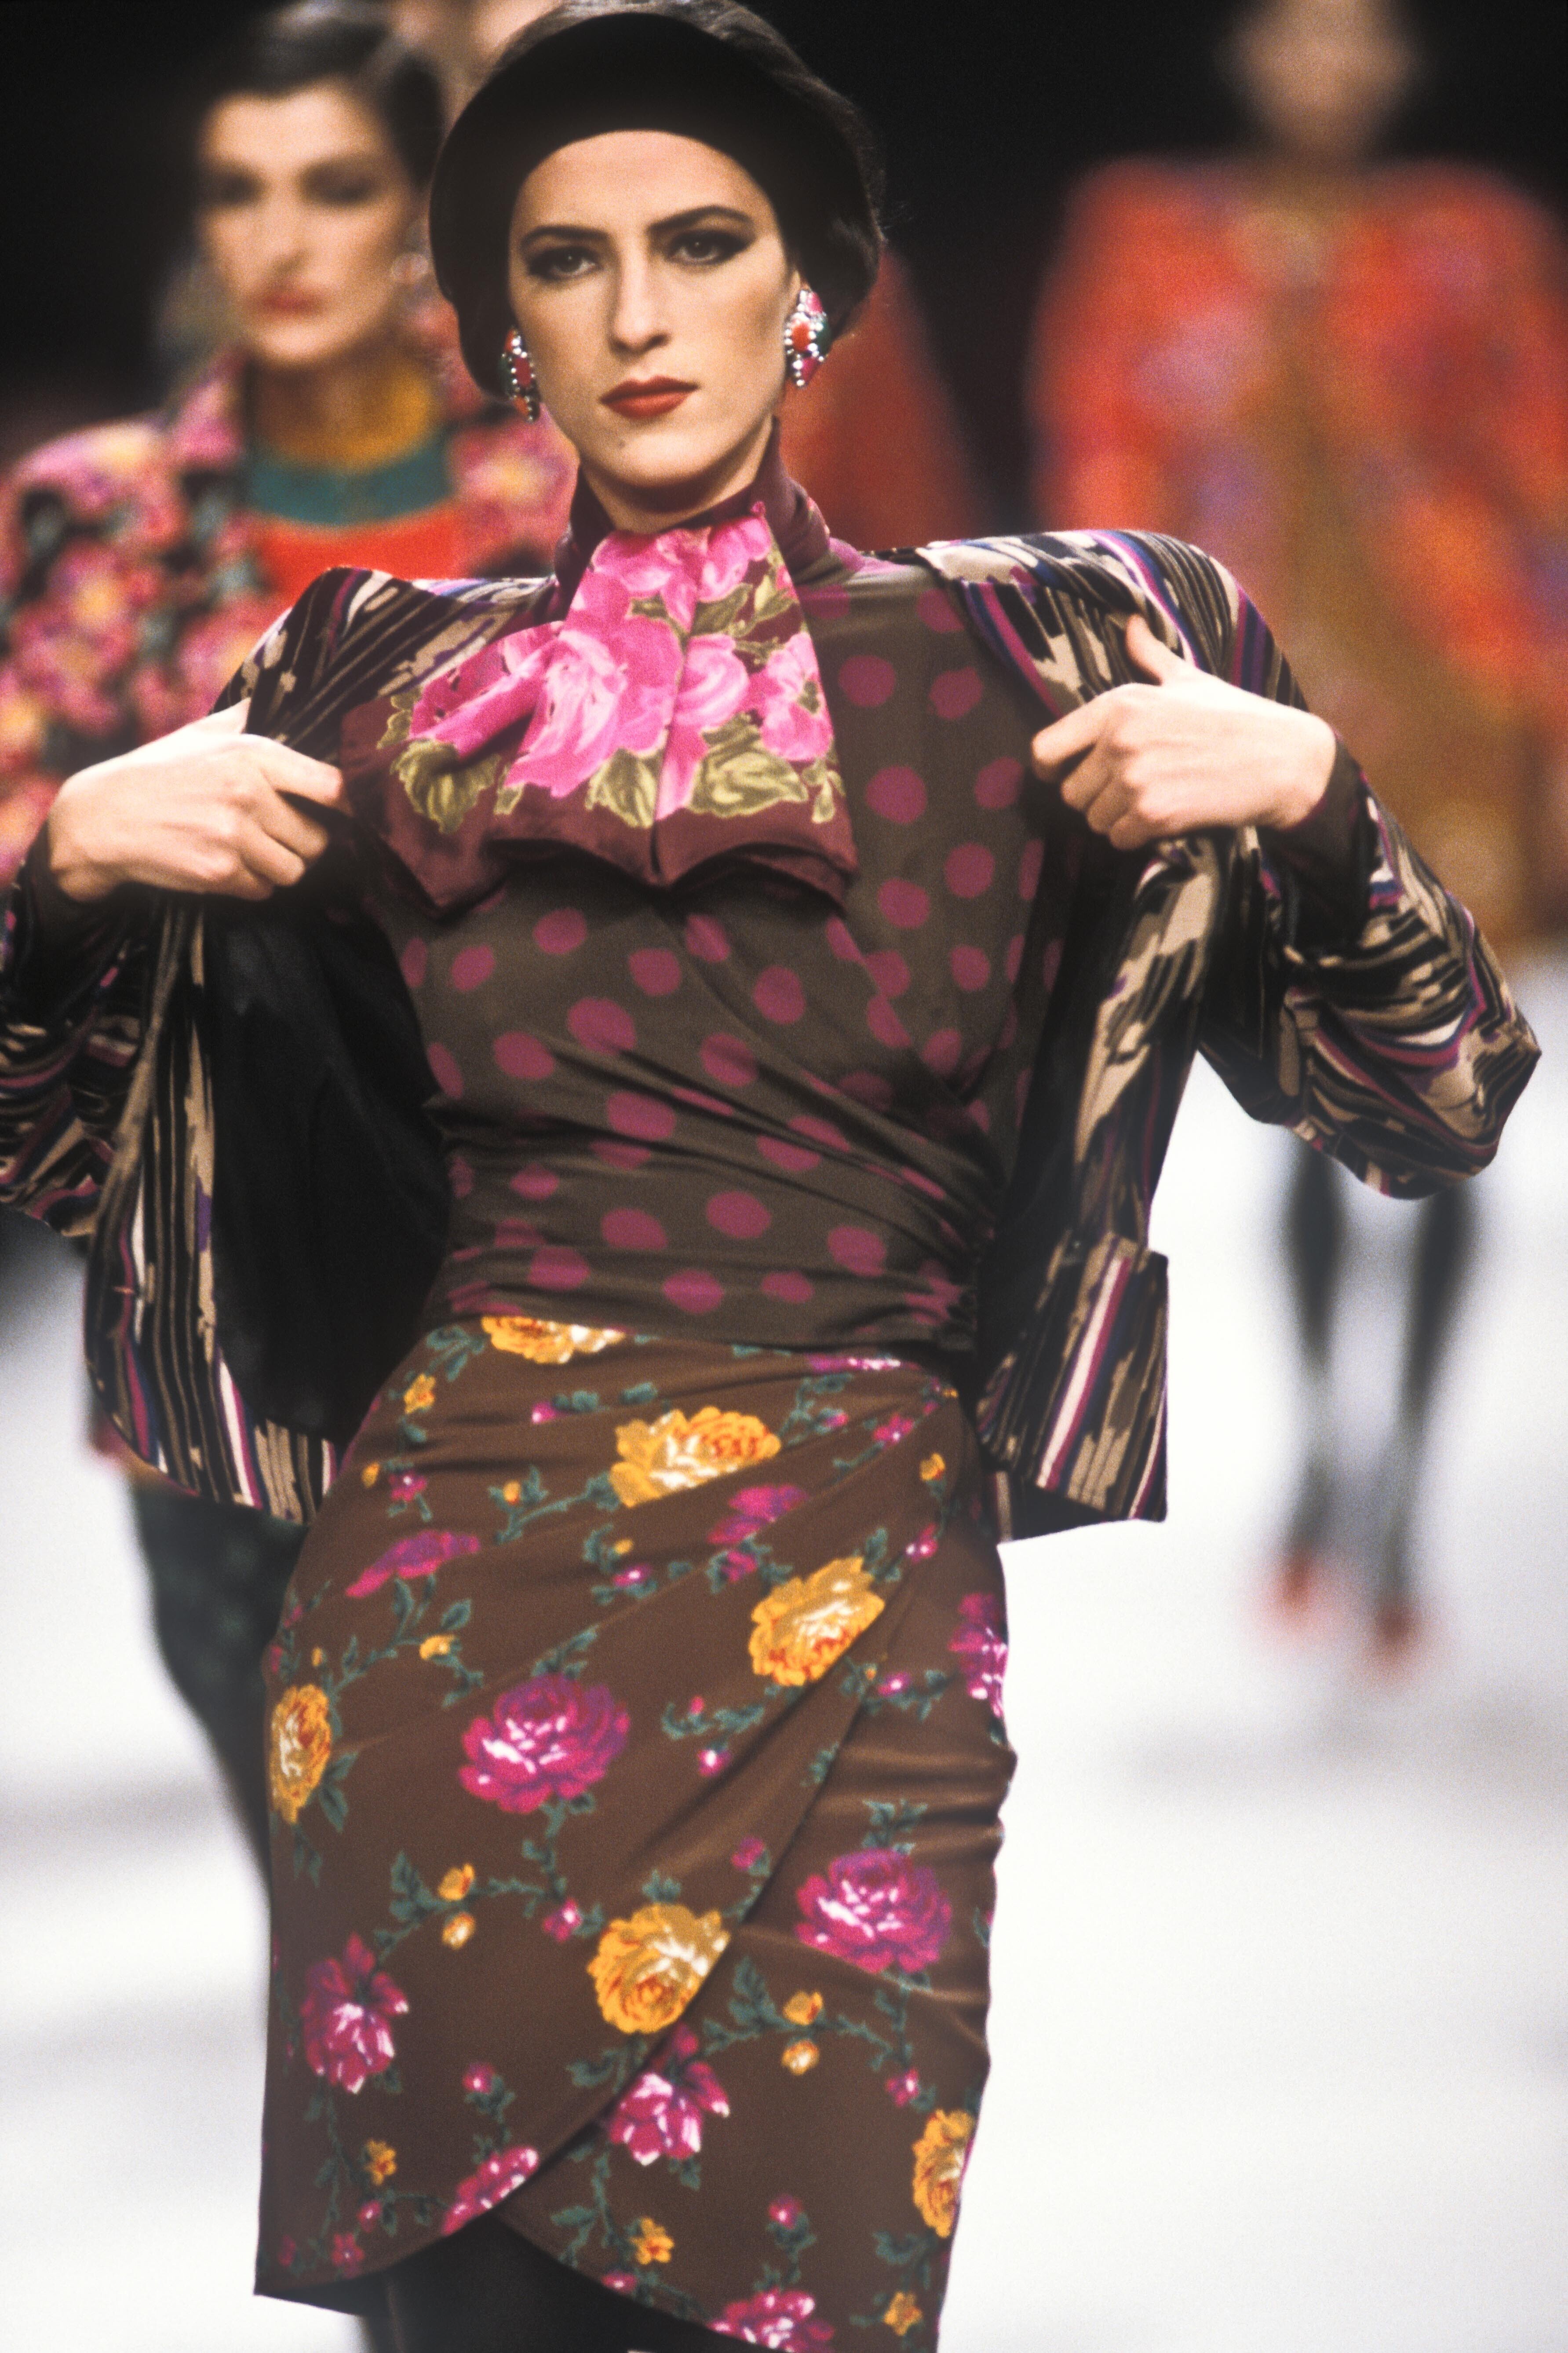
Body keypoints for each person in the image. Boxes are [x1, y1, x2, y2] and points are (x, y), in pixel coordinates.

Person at [0, 4, 1536, 2346]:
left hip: (860, 1642)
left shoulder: (1051, 663)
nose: (637, 312)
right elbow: (61, 1151)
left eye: (700, 244)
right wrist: (61, 880)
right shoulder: (374, 684)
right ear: (500, 331)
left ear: (809, 288)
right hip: (441, 1630)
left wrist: (1325, 809)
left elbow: (1430, 1105)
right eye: (566, 260)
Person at [0, 0, 580, 1863]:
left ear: (424, 214)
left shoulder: (575, 488)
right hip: (217, 1292)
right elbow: (21, 878)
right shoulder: (95, 517)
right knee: (320, 1880)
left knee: (535, 1884)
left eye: (335, 188)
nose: (282, 237)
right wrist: (73, 854)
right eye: (239, 192)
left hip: (541, 1273)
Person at [1028, 0, 1568, 1656]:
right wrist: (1111, 666)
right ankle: (1332, 1455)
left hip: (1446, 705)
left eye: (1359, 35)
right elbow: (1099, 452)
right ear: (1247, 50)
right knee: (1303, 1100)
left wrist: (1552, 708)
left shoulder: (1473, 238)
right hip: (1248, 694)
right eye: (1300, 31)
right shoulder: (1149, 229)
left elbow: (1544, 475)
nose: (1327, 65)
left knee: (1448, 1079)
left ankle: (1399, 1486)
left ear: (1404, 60)